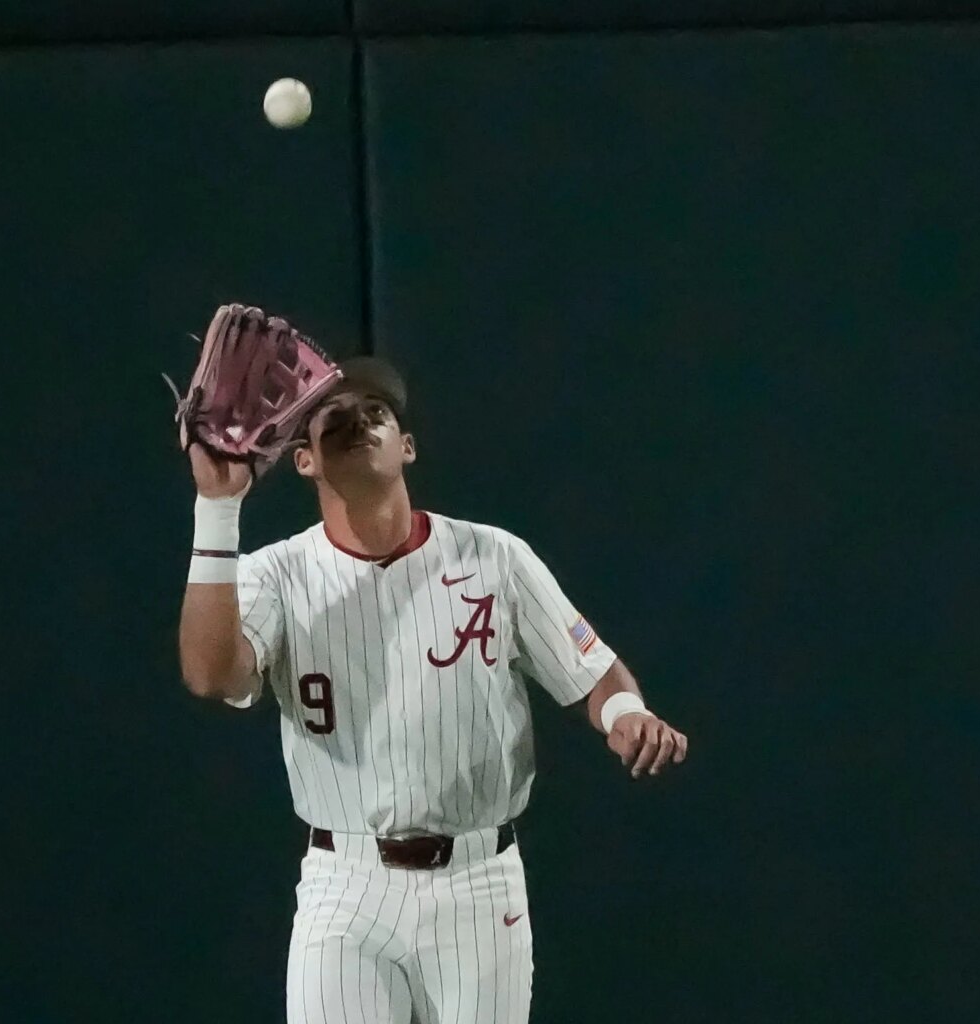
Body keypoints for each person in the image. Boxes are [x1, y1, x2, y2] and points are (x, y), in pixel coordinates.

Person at [176, 355, 688, 1023]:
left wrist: (625, 714)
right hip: (344, 884)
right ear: (303, 459)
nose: (360, 420)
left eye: (377, 412)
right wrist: (217, 508)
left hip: (477, 881)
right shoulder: (277, 574)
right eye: (335, 416)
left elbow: (593, 670)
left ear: (408, 447)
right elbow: (211, 674)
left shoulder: (493, 556)